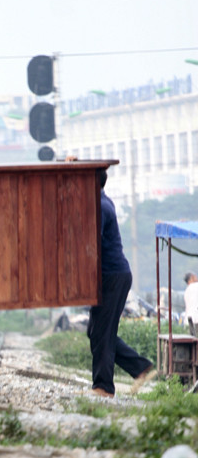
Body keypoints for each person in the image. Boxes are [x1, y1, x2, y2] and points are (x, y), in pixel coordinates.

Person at [87, 168, 155, 397]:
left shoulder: (100, 206)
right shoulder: (100, 202)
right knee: (96, 331)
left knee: (102, 332)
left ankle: (104, 387)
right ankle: (140, 367)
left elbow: (90, 241)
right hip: (112, 275)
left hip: (113, 276)